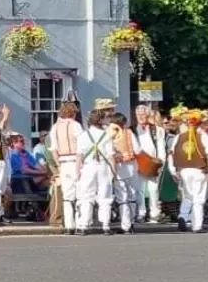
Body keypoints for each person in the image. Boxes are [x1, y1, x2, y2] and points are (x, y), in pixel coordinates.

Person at [75, 104, 118, 235]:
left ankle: (84, 225)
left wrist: (77, 172)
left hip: (88, 167)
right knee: (105, 196)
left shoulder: (83, 135)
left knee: (86, 196)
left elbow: (79, 156)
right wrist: (114, 173)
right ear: (100, 121)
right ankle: (105, 225)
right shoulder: (106, 135)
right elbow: (111, 156)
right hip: (103, 167)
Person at [172, 109, 208, 233]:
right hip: (199, 170)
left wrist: (174, 170)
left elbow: (172, 153)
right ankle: (197, 225)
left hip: (184, 170)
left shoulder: (179, 137)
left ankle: (183, 216)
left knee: (188, 195)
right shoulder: (202, 136)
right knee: (198, 198)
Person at [49, 100, 85, 234]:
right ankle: (80, 225)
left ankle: (69, 225)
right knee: (80, 195)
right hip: (76, 160)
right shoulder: (76, 126)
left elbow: (53, 150)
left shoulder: (55, 127)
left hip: (63, 162)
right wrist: (80, 165)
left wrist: (59, 166)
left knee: (67, 196)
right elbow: (82, 147)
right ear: (73, 113)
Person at [132, 105, 168, 224]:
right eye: (138, 115)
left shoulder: (157, 130)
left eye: (143, 114)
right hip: (138, 163)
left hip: (153, 162)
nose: (141, 117)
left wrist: (161, 162)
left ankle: (154, 213)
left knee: (153, 189)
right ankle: (140, 213)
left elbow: (161, 147)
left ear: (148, 115)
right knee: (139, 189)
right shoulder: (132, 130)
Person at [108, 112, 141, 233]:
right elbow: (137, 150)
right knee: (132, 195)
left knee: (122, 198)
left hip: (117, 167)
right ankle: (131, 223)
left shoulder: (109, 134)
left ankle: (125, 225)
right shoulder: (129, 133)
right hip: (131, 166)